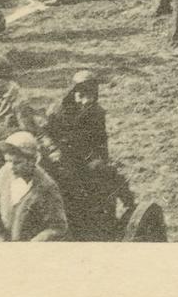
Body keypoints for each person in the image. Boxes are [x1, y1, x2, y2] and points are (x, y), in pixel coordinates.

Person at [44, 71, 133, 241]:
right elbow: (45, 135)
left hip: (85, 156)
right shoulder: (57, 110)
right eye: (80, 93)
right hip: (60, 156)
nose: (84, 99)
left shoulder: (97, 112)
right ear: (72, 92)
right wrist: (54, 151)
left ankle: (125, 207)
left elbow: (101, 140)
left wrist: (99, 159)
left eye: (89, 94)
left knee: (108, 174)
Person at [0, 131, 70, 242]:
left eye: (17, 162)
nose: (11, 167)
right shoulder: (5, 172)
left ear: (32, 161)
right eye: (8, 161)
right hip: (1, 243)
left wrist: (36, 242)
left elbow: (58, 227)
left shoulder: (46, 187)